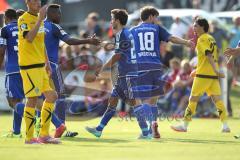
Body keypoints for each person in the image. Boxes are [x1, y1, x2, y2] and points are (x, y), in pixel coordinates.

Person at [129, 6, 193, 139]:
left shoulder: (133, 30)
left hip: (141, 67)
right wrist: (186, 42)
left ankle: (145, 131)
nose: (156, 20)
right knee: (153, 101)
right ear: (151, 16)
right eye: (156, 17)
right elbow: (172, 38)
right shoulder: (157, 28)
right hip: (157, 67)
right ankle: (154, 125)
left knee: (143, 100)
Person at [39, 3, 100, 138]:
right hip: (51, 66)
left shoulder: (37, 25)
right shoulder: (54, 26)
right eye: (58, 13)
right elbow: (70, 41)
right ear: (51, 14)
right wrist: (89, 41)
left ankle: (39, 128)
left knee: (38, 99)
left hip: (35, 66)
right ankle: (61, 128)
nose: (60, 15)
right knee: (60, 97)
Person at [171, 18, 230, 133]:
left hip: (204, 76)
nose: (194, 28)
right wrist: (201, 70)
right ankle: (225, 126)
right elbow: (209, 57)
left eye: (196, 26)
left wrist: (215, 70)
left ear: (202, 27)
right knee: (218, 100)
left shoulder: (202, 39)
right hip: (211, 75)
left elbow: (208, 55)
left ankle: (184, 125)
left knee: (192, 99)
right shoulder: (211, 38)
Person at [85, 9, 137, 138]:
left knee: (134, 102)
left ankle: (148, 130)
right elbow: (115, 47)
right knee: (113, 101)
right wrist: (100, 43)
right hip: (125, 72)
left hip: (127, 72)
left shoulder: (122, 34)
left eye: (112, 19)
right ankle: (99, 129)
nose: (111, 21)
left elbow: (117, 55)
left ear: (117, 21)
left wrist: (101, 69)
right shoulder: (123, 33)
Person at [18, 0, 59, 144]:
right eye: (34, 1)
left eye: (38, 1)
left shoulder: (38, 18)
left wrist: (47, 63)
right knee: (33, 99)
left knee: (52, 96)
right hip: (29, 66)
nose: (37, 3)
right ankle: (29, 138)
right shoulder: (23, 19)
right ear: (27, 2)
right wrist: (41, 19)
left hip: (41, 66)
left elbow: (41, 44)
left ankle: (44, 135)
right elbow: (29, 38)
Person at [0, 9, 25, 138]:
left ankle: (32, 116)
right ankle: (16, 132)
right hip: (27, 68)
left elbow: (2, 50)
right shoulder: (24, 26)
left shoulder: (5, 29)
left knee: (12, 102)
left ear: (6, 17)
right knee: (19, 100)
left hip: (13, 69)